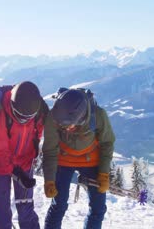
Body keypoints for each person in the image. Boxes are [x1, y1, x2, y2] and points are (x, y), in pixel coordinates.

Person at [43, 88, 115, 229]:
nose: (65, 128)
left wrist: (103, 173)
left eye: (69, 125)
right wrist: (49, 180)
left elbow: (107, 143)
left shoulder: (98, 115)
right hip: (63, 159)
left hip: (91, 159)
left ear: (81, 119)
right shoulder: (54, 116)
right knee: (59, 204)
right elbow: (50, 150)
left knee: (98, 207)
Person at [0, 81, 50, 229]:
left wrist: (32, 155)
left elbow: (37, 133)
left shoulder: (39, 112)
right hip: (0, 166)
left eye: (28, 117)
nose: (24, 120)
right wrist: (17, 173)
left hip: (24, 163)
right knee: (1, 209)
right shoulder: (1, 112)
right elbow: (0, 150)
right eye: (20, 116)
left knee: (25, 207)